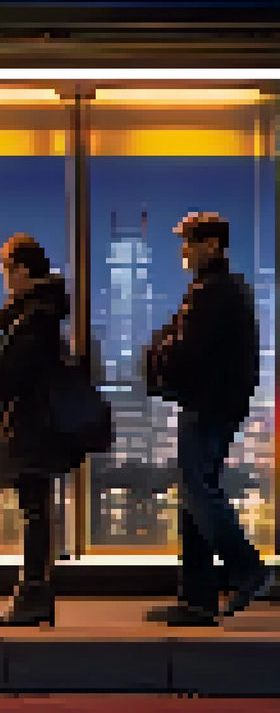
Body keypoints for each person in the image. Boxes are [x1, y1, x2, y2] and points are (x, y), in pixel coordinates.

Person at [143, 212, 272, 626]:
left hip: (208, 405)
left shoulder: (212, 293)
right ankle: (197, 600)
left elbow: (181, 352)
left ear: (212, 246)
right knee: (195, 494)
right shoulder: (220, 290)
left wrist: (157, 357)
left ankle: (245, 568)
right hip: (217, 403)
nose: (184, 250)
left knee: (199, 490)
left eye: (191, 242)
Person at [0, 234, 72, 627]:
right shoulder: (42, 314)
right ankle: (35, 593)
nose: (5, 277)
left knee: (34, 512)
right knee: (37, 511)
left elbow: (11, 376)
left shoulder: (34, 317)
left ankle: (34, 594)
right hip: (39, 423)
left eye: (7, 268)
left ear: (23, 270)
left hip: (31, 425)